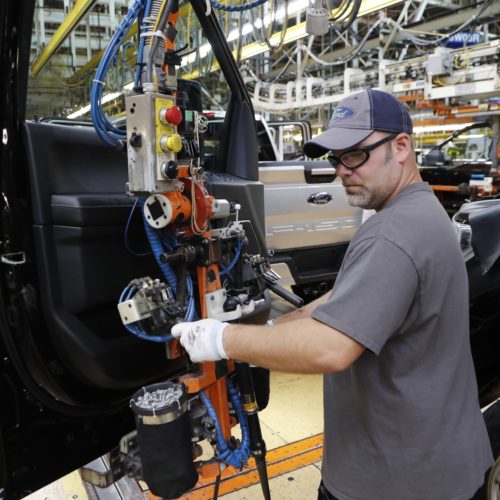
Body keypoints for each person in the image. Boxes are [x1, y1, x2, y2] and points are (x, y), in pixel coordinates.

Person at [172, 89, 493, 500]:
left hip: (397, 484)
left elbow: (330, 349)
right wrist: (272, 330)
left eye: (354, 155)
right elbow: (339, 302)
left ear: (400, 147)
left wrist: (217, 340)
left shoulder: (393, 235)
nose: (341, 170)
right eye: (336, 158)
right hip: (433, 462)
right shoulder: (421, 212)